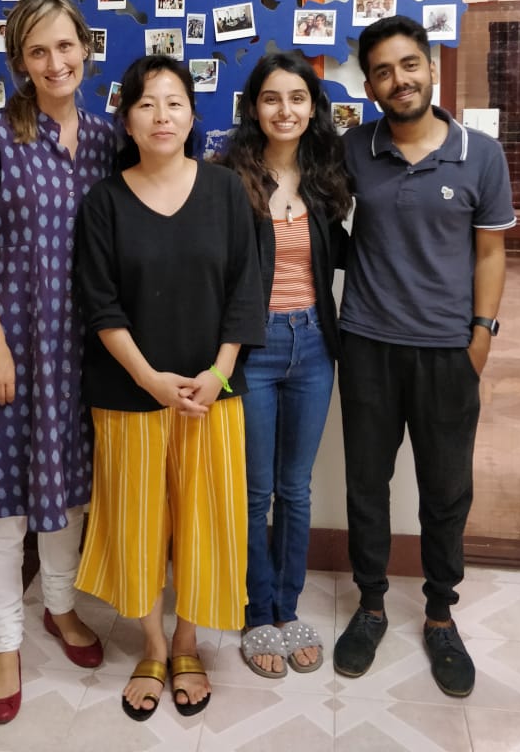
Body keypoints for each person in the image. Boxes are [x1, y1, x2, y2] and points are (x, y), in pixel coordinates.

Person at [0, 0, 115, 726]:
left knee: (67, 495)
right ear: (20, 63)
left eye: (65, 46)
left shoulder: (105, 139)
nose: (55, 62)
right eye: (38, 51)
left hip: (78, 350)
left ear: (86, 49)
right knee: (3, 509)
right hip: (6, 347)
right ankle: (4, 644)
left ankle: (60, 608)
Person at [74, 55, 265, 722]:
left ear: (192, 115)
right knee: (138, 528)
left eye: (174, 102)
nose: (161, 115)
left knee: (204, 525)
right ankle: (152, 646)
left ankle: (187, 642)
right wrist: (150, 379)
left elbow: (246, 289)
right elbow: (100, 305)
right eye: (146, 103)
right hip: (130, 394)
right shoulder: (104, 201)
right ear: (127, 120)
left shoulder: (226, 191)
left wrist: (218, 374)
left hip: (212, 396)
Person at [334, 14, 515, 698]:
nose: (398, 79)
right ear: (370, 87)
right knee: (366, 485)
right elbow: (310, 218)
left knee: (445, 491)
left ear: (431, 68)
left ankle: (440, 614)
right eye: (382, 71)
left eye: (409, 64)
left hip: (447, 353)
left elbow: (490, 252)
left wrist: (481, 336)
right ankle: (371, 606)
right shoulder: (354, 149)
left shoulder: (480, 154)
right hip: (368, 345)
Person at [219, 51, 351, 678]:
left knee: (295, 488)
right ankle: (256, 613)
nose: (285, 110)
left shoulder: (326, 178)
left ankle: (287, 607)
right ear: (254, 107)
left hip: (314, 346)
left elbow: (353, 254)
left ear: (313, 107)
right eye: (272, 98)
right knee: (256, 491)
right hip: (255, 349)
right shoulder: (229, 178)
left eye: (298, 98)